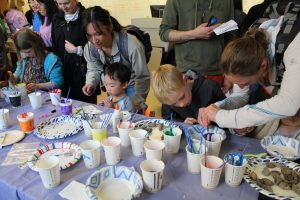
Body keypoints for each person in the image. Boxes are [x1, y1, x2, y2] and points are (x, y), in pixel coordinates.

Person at [198, 28, 300, 130]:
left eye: (246, 83)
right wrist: (217, 107)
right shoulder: (250, 44)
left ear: (263, 66)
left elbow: (288, 104)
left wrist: (223, 117)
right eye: (236, 83)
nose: (240, 86)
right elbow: (241, 96)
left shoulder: (294, 49)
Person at [82, 6, 150, 110]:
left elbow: (142, 77)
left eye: (98, 34)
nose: (94, 40)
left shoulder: (131, 45)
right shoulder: (90, 47)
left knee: (129, 116)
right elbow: (94, 68)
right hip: (113, 86)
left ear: (109, 27)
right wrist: (91, 83)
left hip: (132, 85)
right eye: (89, 35)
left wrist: (138, 104)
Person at [159, 0, 234, 86]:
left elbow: (231, 37)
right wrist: (195, 34)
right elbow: (164, 33)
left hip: (218, 72)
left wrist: (230, 74)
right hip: (187, 73)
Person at [151, 64, 225, 124]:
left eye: (182, 97)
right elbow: (167, 117)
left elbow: (227, 113)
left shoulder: (210, 87)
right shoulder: (169, 98)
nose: (181, 105)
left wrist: (214, 117)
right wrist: (182, 123)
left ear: (185, 80)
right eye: (174, 104)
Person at [52, 0, 95, 103]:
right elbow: (55, 45)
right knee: (66, 108)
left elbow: (96, 47)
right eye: (60, 4)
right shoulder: (57, 18)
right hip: (63, 72)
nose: (63, 7)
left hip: (83, 72)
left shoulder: (87, 17)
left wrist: (77, 50)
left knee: (86, 107)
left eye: (66, 3)